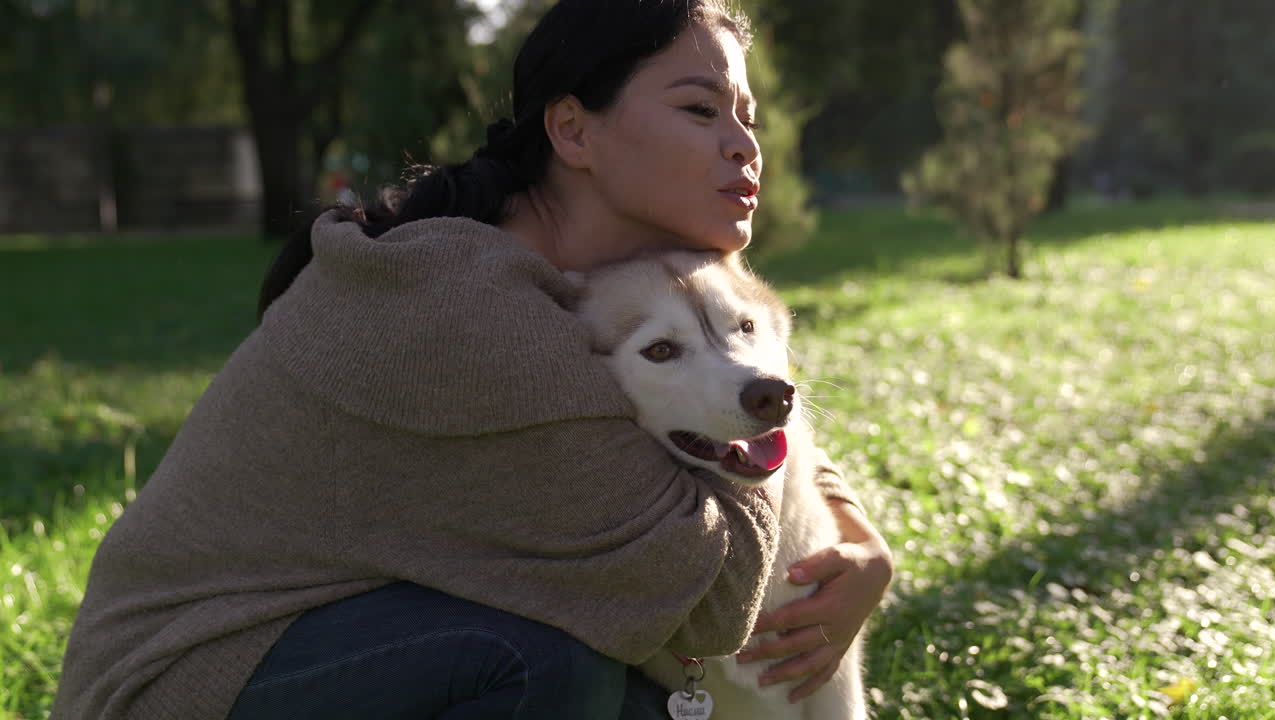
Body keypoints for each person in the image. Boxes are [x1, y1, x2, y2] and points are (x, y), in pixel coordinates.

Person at [52, 1, 892, 718]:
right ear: (571, 128)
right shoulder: (471, 318)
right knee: (546, 661)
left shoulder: (575, 281)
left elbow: (730, 406)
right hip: (186, 684)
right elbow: (712, 595)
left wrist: (856, 534)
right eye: (700, 110)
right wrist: (814, 526)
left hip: (360, 632)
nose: (744, 146)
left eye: (747, 116)